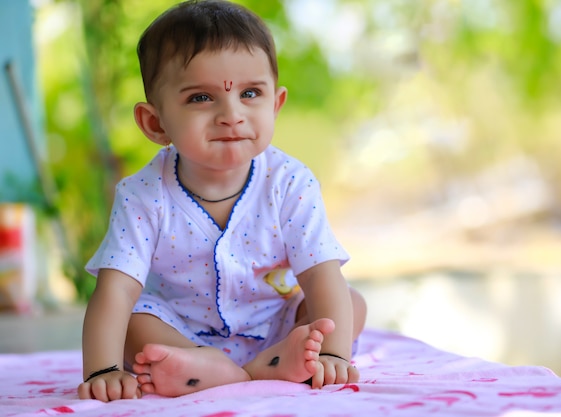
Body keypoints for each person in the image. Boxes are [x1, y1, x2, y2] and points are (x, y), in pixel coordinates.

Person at [77, 0, 367, 402]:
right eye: (201, 98)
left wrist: (334, 355)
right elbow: (115, 291)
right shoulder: (142, 194)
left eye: (250, 93)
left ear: (275, 104)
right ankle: (218, 365)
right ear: (155, 123)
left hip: (276, 326)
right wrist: (103, 370)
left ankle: (265, 362)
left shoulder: (290, 182)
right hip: (178, 334)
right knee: (131, 320)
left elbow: (321, 273)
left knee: (348, 304)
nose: (231, 114)